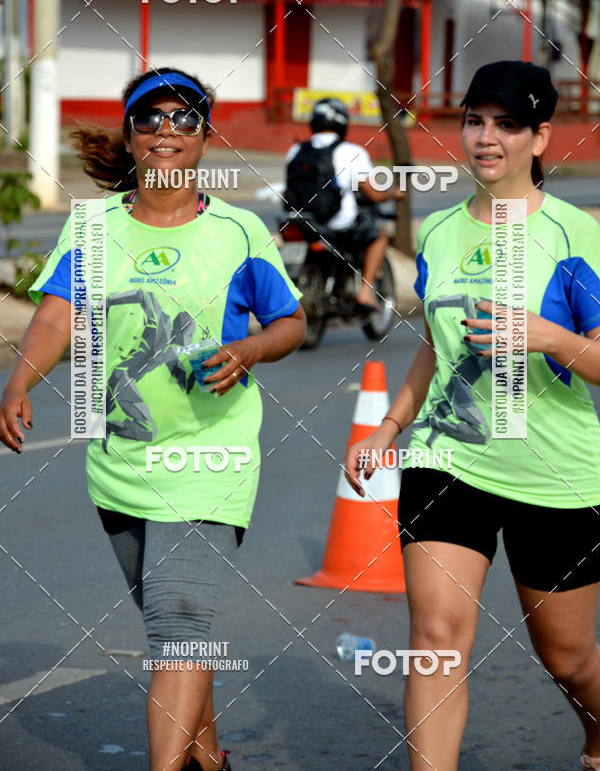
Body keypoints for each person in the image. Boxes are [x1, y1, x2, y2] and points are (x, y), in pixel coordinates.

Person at [0, 67, 306, 771]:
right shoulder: (96, 228)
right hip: (121, 464)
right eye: (150, 119)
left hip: (211, 458)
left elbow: (290, 321)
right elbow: (58, 312)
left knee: (181, 625)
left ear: (205, 137)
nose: (166, 132)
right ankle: (209, 760)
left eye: (184, 119)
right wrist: (20, 380)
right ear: (131, 136)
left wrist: (250, 347)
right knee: (174, 632)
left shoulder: (238, 231)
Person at [345, 60, 600, 771]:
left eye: (508, 124)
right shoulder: (438, 232)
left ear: (542, 137)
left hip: (556, 469)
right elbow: (436, 347)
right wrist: (391, 427)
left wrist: (546, 335)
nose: (487, 137)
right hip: (447, 455)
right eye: (476, 120)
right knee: (434, 637)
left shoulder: (577, 235)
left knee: (570, 658)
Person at [284, 97, 405, 311]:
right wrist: (393, 193)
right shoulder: (352, 152)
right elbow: (374, 195)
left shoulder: (295, 151)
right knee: (379, 233)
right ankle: (366, 294)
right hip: (339, 224)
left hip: (302, 221)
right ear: (342, 122)